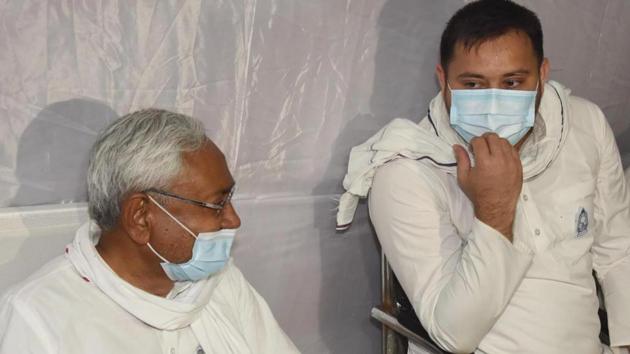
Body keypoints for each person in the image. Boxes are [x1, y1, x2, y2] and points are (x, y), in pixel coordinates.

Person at [336, 1, 630, 353]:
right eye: (473, 83)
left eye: (513, 82)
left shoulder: (584, 124)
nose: (494, 101)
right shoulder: (405, 172)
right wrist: (495, 211)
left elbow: (617, 253)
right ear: (443, 79)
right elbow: (454, 335)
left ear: (543, 74)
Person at [0, 109, 299, 354]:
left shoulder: (220, 283)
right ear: (141, 217)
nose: (234, 220)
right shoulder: (39, 318)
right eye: (217, 204)